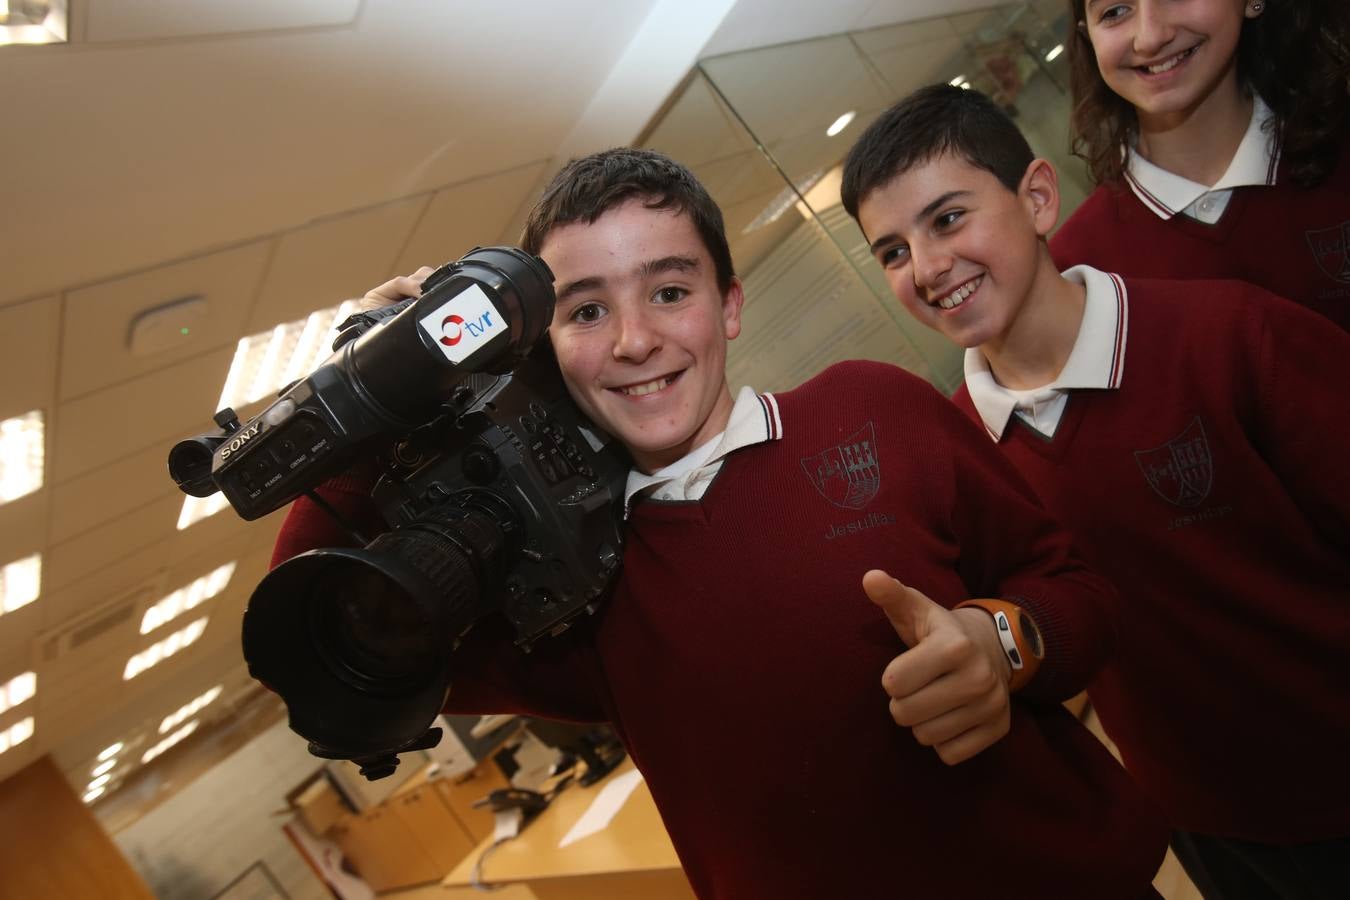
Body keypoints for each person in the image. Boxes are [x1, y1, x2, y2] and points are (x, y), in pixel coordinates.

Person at [273, 148, 1167, 898]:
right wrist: (379, 394)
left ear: (730, 305)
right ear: (547, 349)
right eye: (586, 311)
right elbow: (322, 633)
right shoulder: (565, 578)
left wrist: (999, 643)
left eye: (668, 292)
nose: (632, 340)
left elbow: (1080, 594)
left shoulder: (871, 408)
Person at [841, 83, 1350, 899]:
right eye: (893, 251)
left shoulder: (1232, 334)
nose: (927, 268)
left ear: (1038, 198)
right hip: (1206, 822)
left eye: (947, 219)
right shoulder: (948, 454)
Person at [1051, 0, 1350, 331]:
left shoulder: (1340, 146)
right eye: (1114, 11)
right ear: (1088, 39)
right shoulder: (1077, 275)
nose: (1150, 37)